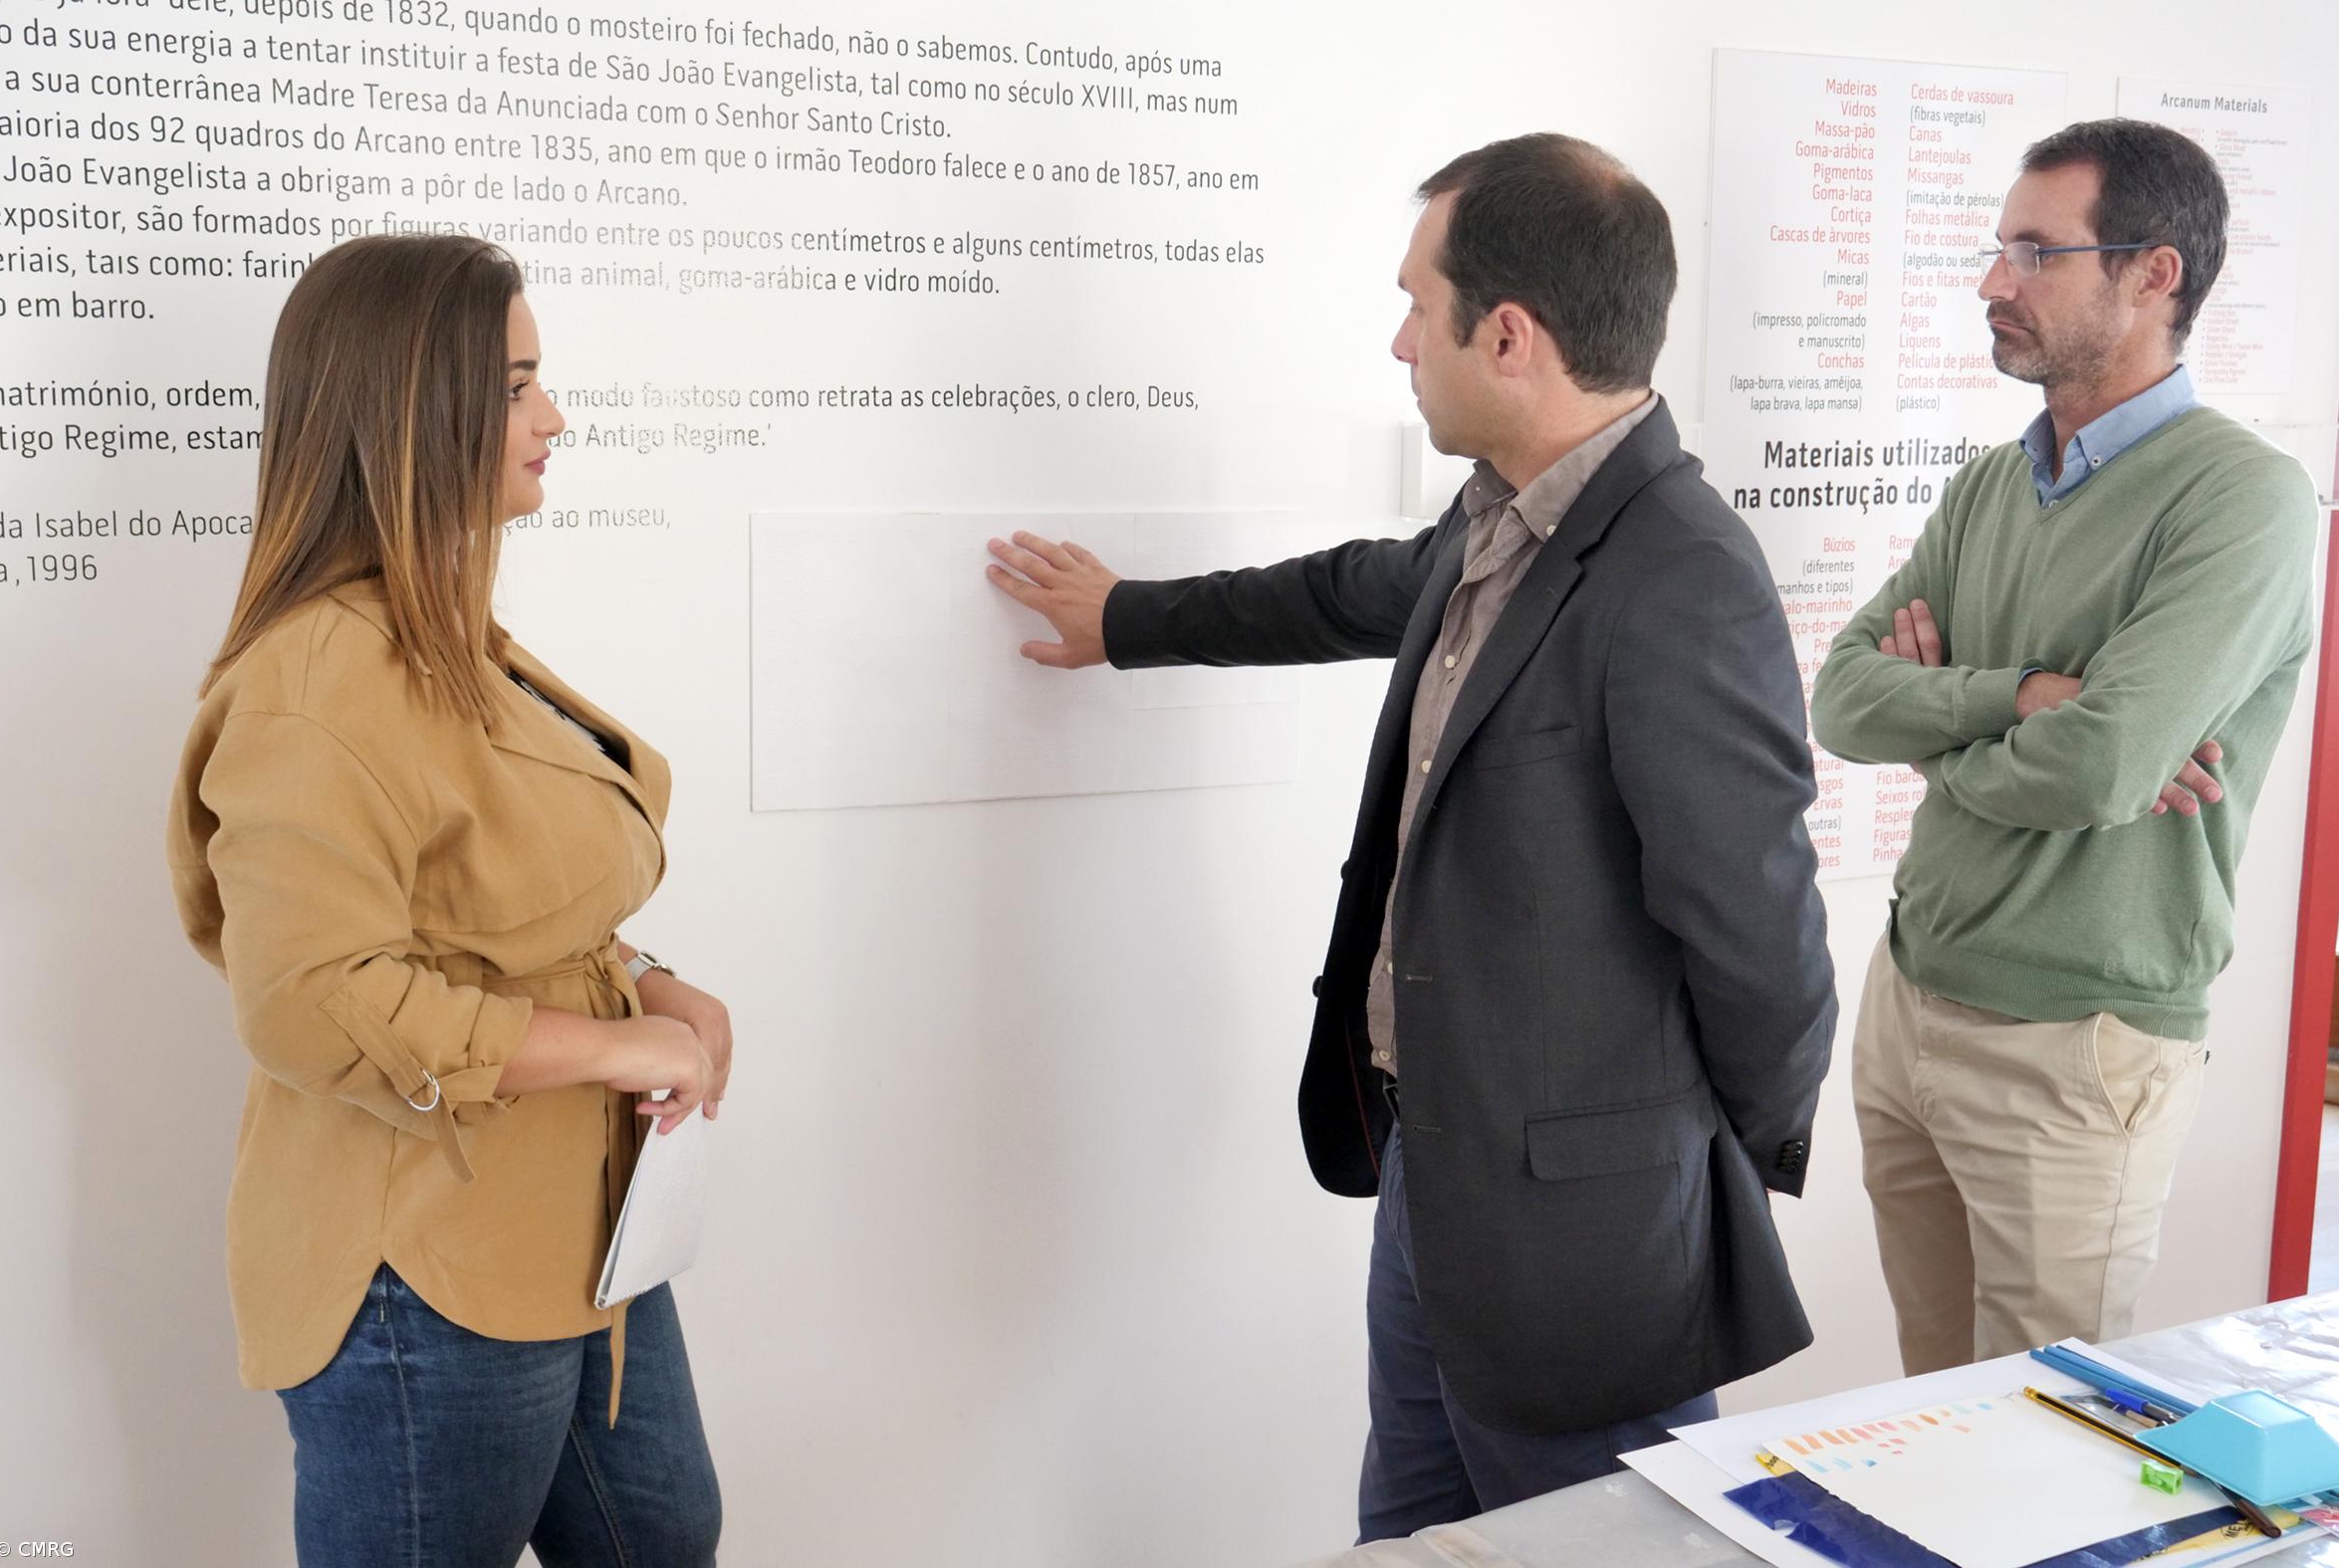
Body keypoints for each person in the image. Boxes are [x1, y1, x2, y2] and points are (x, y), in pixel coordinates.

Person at [985, 133, 1836, 1539]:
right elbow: (1344, 592)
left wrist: (1676, 1174)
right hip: (1432, 1181)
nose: (1397, 341)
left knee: (1589, 1542)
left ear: (1506, 334)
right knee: (1415, 1531)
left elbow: (1762, 940)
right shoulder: (1498, 519)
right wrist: (1127, 618)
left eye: (1412, 303)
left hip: (1580, 1241)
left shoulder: (1679, 571)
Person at [167, 234, 727, 1565]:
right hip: (424, 1265)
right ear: (419, 410)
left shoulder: (446, 630)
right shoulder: (315, 681)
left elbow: (495, 886)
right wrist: (606, 1043)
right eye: (521, 384)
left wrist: (647, 979)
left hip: (583, 1233)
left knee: (663, 1533)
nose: (556, 418)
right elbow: (311, 999)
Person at [1810, 118, 2320, 1375]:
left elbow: (2096, 767)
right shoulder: (1990, 484)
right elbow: (1839, 699)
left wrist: (1952, 734)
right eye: (1999, 249)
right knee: (1926, 1408)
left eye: (2036, 253)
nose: (1994, 282)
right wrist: (2026, 693)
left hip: (2075, 1048)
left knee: (2044, 1443)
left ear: (2154, 276)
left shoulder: (2241, 499)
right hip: (1909, 1003)